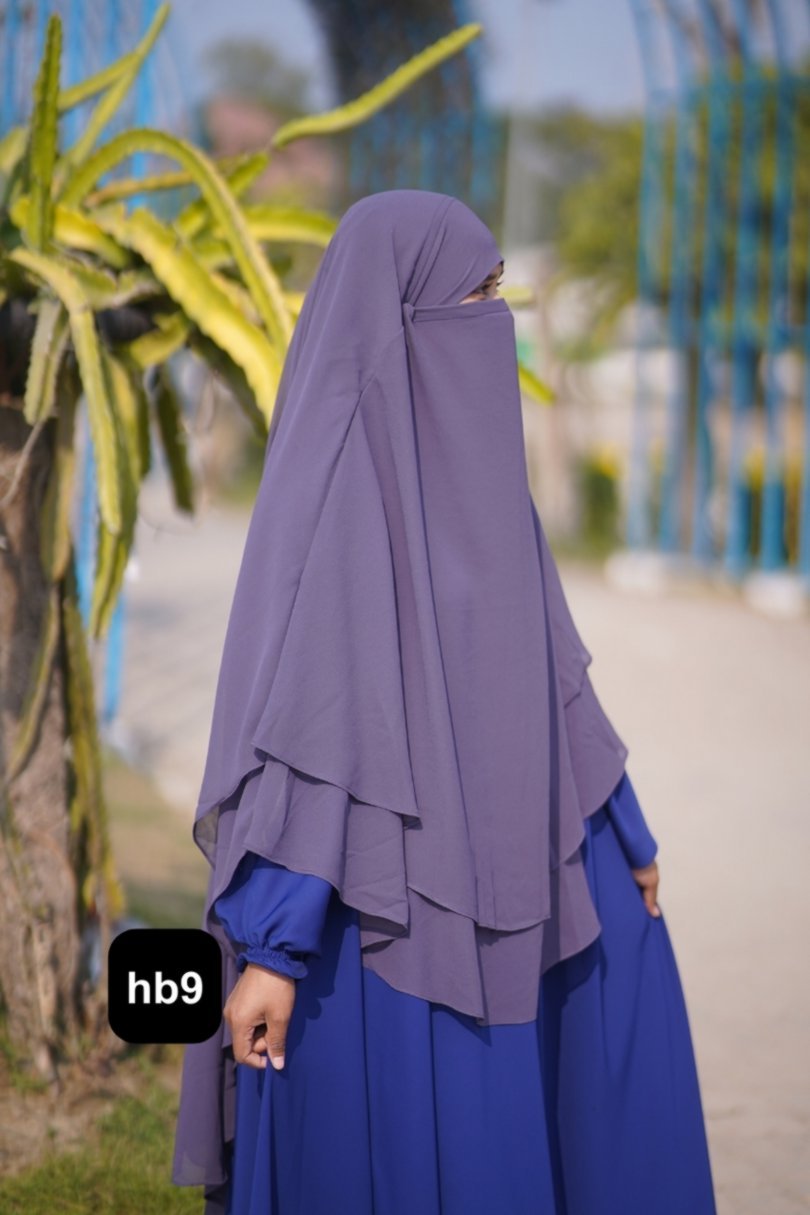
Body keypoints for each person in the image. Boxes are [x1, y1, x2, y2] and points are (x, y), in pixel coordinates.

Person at [171, 190, 716, 1215]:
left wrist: (626, 831)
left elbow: (555, 681)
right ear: (402, 316)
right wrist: (276, 952)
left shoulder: (484, 489)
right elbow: (319, 744)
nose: (492, 321)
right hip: (380, 928)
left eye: (498, 292)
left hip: (509, 891)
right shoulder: (345, 500)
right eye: (475, 294)